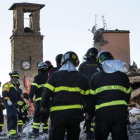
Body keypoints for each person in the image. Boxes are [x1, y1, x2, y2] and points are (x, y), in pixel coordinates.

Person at [41, 51, 93, 140]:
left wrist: (44, 109)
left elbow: (46, 94)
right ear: (76, 62)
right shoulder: (83, 78)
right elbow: (89, 100)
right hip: (75, 116)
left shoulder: (54, 76)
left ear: (62, 62)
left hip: (58, 116)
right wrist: (89, 118)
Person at [90, 51, 131, 140]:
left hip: (102, 114)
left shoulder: (95, 77)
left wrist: (91, 113)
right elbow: (128, 96)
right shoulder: (123, 76)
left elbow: (92, 99)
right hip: (120, 113)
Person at [79, 47, 98, 140]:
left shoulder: (82, 66)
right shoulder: (100, 65)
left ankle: (89, 133)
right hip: (98, 95)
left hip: (85, 95)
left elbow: (78, 80)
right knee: (97, 113)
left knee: (88, 113)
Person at [28, 62, 48, 137]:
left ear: (39, 69)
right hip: (50, 101)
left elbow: (33, 88)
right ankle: (45, 130)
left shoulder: (38, 77)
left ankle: (35, 131)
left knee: (37, 115)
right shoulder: (50, 76)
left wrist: (30, 97)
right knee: (45, 116)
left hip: (40, 100)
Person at [2, 71, 20, 139]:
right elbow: (4, 93)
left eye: (16, 77)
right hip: (9, 102)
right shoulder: (8, 84)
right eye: (14, 77)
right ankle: (11, 133)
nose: (15, 79)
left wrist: (17, 106)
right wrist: (7, 100)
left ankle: (13, 132)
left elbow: (16, 98)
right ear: (11, 77)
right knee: (11, 116)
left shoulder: (14, 87)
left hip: (13, 103)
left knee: (14, 116)